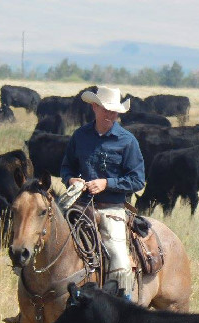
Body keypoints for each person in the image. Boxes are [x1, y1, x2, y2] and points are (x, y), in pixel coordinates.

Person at [60, 86, 145, 301]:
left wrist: (107, 184)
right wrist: (71, 179)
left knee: (120, 261)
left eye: (115, 111)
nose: (111, 115)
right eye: (107, 109)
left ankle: (123, 307)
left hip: (111, 209)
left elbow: (138, 180)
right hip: (79, 205)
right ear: (94, 107)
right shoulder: (80, 136)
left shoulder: (127, 141)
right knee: (46, 235)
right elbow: (66, 167)